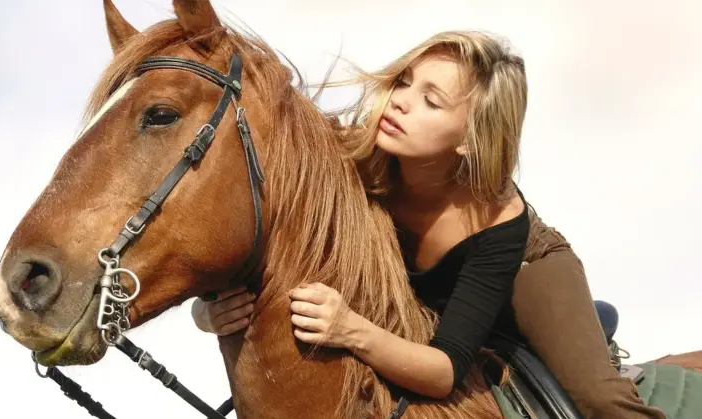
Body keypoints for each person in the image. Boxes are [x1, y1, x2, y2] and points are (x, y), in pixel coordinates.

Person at [191, 30, 665, 418]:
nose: (398, 102)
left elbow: (443, 370)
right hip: (432, 296)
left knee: (603, 404)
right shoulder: (353, 154)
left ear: (471, 140)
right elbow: (264, 232)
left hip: (527, 271)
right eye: (405, 82)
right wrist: (207, 312)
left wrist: (351, 329)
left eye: (431, 102)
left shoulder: (499, 223)